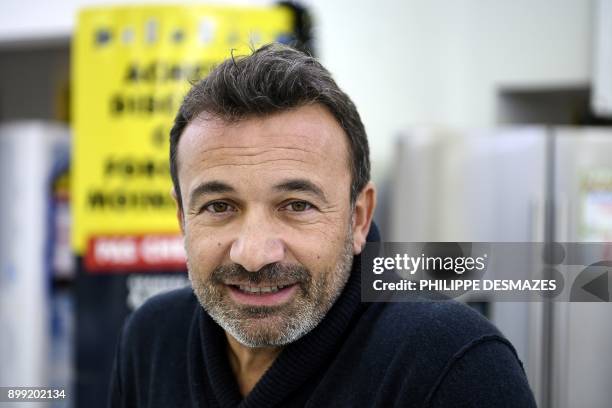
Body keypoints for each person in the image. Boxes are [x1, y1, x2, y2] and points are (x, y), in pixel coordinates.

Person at [109, 44, 536, 407]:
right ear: (183, 218)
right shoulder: (151, 337)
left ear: (358, 217)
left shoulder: (452, 365)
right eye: (220, 206)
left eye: (296, 205)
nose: (254, 254)